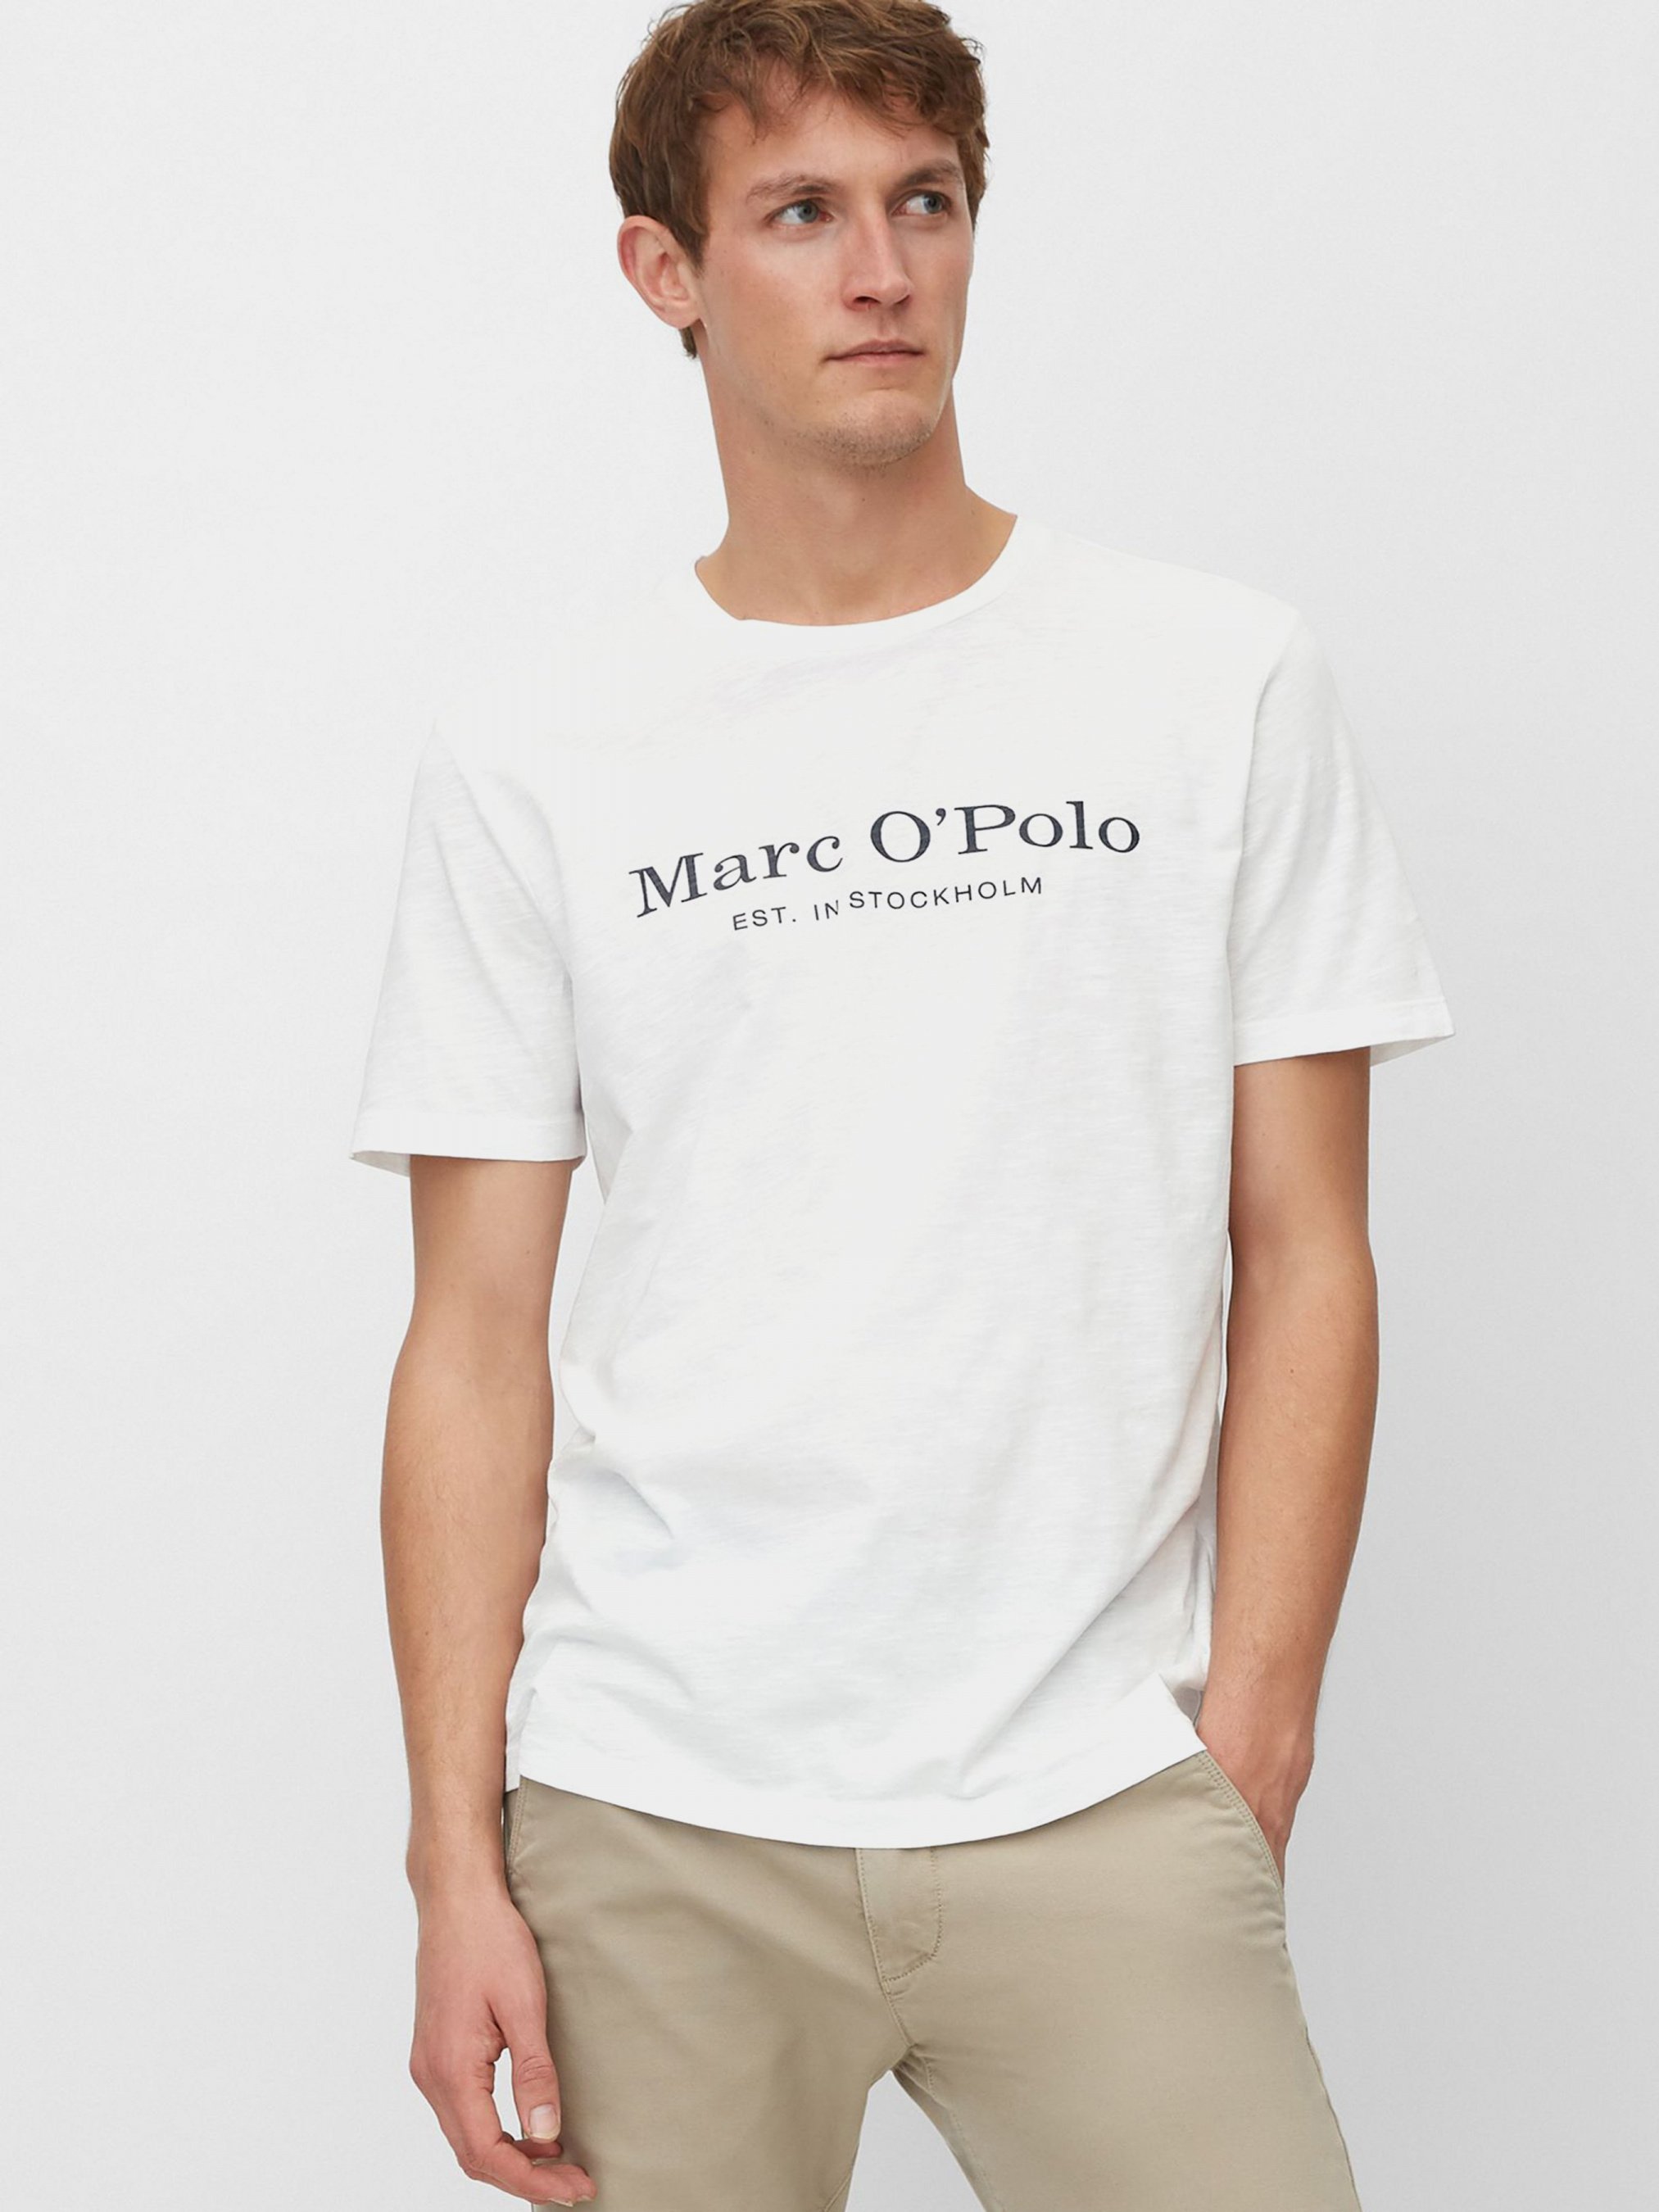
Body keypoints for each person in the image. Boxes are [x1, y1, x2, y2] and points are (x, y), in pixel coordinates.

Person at [349, 3, 1454, 2205]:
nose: (880, 272)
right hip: (661, 1809)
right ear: (665, 271)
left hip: (1099, 1787)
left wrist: (1253, 1730)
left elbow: (1306, 1245)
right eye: (800, 214)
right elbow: (471, 1336)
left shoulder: (1213, 677)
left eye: (922, 203)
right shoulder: (537, 744)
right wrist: (454, 1862)